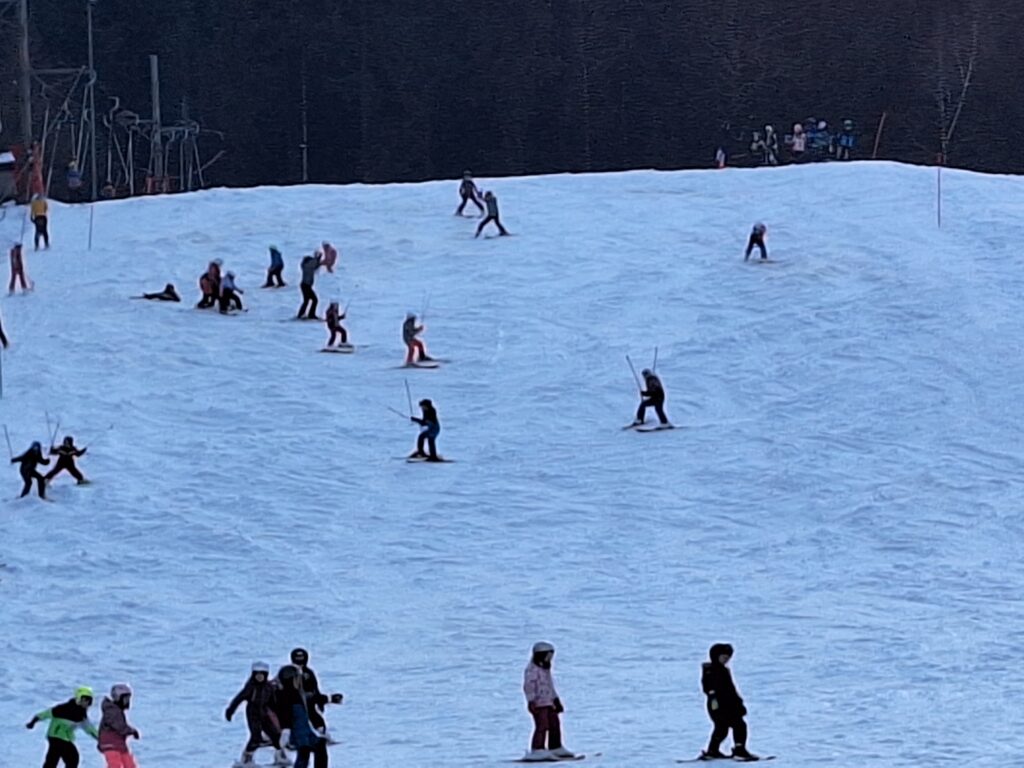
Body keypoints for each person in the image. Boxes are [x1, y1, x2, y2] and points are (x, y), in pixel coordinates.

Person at [701, 643, 759, 761]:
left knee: (722, 728)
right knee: (738, 725)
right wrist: (715, 700)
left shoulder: (723, 670)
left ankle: (713, 750)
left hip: (729, 704)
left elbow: (731, 690)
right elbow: (709, 688)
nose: (726, 660)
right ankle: (739, 750)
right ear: (715, 656)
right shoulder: (711, 671)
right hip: (720, 705)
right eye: (724, 657)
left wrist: (738, 703)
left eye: (728, 657)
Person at [226, 662, 288, 767]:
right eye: (257, 675)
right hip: (253, 714)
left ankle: (280, 756)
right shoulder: (251, 687)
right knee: (256, 736)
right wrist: (230, 710)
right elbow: (239, 698)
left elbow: (273, 701)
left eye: (262, 675)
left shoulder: (268, 687)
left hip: (265, 713)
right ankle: (246, 759)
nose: (259, 677)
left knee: (275, 735)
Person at [522, 641, 574, 762]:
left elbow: (550, 686)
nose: (549, 659)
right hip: (539, 704)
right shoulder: (532, 670)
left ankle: (555, 746)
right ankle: (537, 748)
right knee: (542, 726)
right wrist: (531, 700)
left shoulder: (545, 670)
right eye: (548, 656)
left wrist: (556, 699)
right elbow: (528, 686)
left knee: (554, 724)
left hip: (549, 702)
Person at [26, 686, 99, 768]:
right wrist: (33, 721)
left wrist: (100, 738)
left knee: (59, 759)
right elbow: (45, 714)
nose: (86, 703)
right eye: (84, 700)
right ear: (78, 699)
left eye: (89, 701)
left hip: (66, 738)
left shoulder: (81, 715)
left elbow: (89, 728)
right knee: (69, 758)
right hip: (55, 736)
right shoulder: (63, 709)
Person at [277, 664, 330, 768]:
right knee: (304, 752)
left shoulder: (298, 694)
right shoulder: (285, 696)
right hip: (297, 732)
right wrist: (286, 731)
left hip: (306, 730)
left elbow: (312, 699)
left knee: (319, 746)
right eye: (297, 679)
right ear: (290, 680)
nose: (299, 682)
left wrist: (329, 698)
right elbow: (285, 715)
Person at [287, 647, 343, 735]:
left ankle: (321, 733)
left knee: (315, 718)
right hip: (294, 705)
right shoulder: (288, 672)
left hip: (310, 704)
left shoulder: (309, 672)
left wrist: (321, 701)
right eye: (297, 658)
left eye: (301, 658)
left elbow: (315, 690)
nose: (300, 660)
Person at [98, 684, 140, 768]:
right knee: (115, 764)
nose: (127, 702)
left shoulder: (117, 710)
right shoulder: (111, 711)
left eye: (128, 699)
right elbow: (119, 726)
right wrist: (132, 731)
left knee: (129, 764)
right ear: (118, 698)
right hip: (110, 743)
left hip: (119, 744)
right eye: (125, 699)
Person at [297, 253, 323, 319]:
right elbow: (314, 264)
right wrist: (317, 258)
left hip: (305, 285)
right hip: (306, 286)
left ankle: (302, 314)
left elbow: (316, 266)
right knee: (314, 300)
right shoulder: (307, 266)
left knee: (307, 300)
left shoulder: (306, 266)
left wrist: (318, 259)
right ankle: (310, 314)